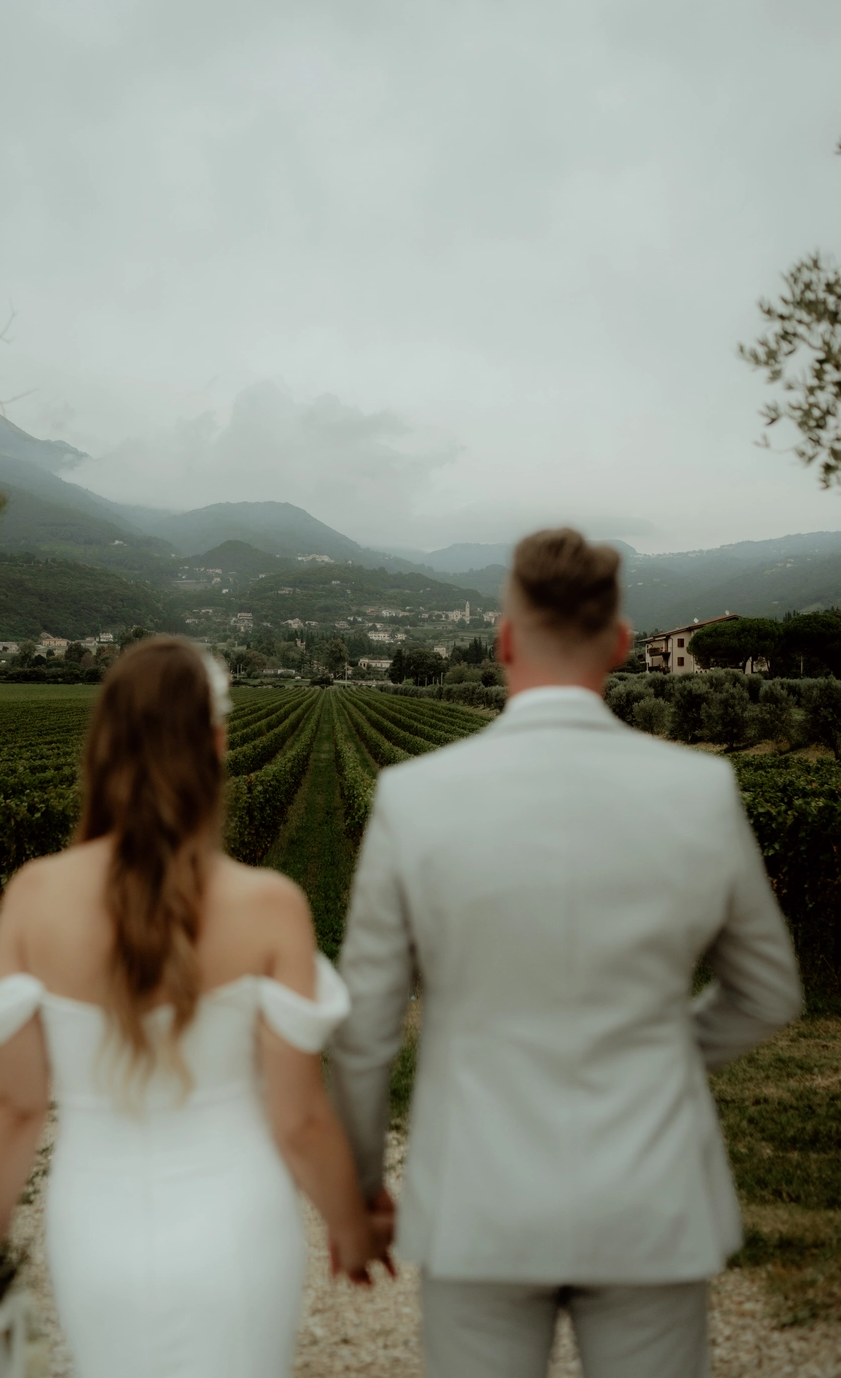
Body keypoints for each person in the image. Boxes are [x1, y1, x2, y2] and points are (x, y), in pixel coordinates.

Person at [331, 527, 802, 1378]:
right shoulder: (700, 790)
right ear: (623, 646)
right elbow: (767, 993)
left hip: (480, 1202)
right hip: (651, 1202)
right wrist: (662, 1051)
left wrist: (362, 1188)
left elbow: (365, 1028)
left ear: (504, 641)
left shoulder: (414, 799)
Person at [0, 637, 389, 1377]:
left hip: (95, 1231)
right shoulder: (270, 907)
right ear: (217, 744)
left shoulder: (33, 897)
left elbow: (15, 1107)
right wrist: (350, 1224)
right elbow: (300, 1119)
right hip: (240, 1230)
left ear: (104, 745)